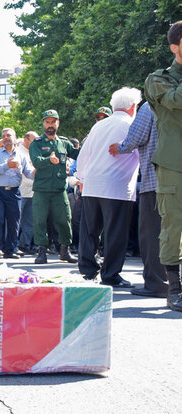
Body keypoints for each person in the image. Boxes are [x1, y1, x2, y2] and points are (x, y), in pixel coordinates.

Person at [76, 87, 141, 288]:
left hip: (92, 184)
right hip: (117, 187)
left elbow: (83, 155)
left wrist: (82, 177)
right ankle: (111, 274)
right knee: (115, 233)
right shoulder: (133, 125)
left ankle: (88, 271)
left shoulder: (99, 126)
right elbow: (141, 153)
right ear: (133, 106)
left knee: (89, 230)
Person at [109, 102, 168, 297]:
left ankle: (157, 283)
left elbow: (136, 137)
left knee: (152, 235)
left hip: (155, 181)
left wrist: (120, 147)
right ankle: (176, 286)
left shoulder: (152, 105)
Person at [144, 20, 182, 311]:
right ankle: (175, 287)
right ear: (175, 47)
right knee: (173, 226)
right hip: (174, 164)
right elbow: (176, 101)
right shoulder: (160, 79)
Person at [29, 110, 80, 264]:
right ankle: (41, 251)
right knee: (39, 220)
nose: (50, 125)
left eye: (53, 122)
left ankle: (65, 251)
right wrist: (49, 160)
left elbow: (79, 155)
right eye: (47, 122)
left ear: (58, 123)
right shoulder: (37, 143)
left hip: (59, 190)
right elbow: (36, 161)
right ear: (43, 123)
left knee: (65, 219)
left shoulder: (64, 143)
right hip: (41, 190)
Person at [0, 128, 35, 259]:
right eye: (3, 136)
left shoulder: (21, 155)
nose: (5, 138)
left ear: (15, 137)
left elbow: (28, 172)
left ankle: (11, 249)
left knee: (14, 222)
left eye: (8, 135)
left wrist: (37, 172)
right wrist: (6, 166)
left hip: (14, 191)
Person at [17, 131, 38, 254]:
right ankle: (11, 245)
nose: (35, 143)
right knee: (16, 221)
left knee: (30, 222)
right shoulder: (18, 152)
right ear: (26, 139)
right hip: (20, 191)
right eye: (33, 140)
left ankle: (25, 245)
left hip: (32, 192)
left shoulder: (34, 152)